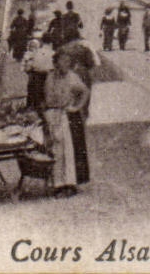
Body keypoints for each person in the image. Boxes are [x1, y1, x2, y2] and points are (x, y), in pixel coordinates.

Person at [41, 50, 91, 197]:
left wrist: (77, 106)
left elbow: (85, 91)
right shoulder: (49, 77)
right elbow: (46, 98)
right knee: (56, 150)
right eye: (62, 61)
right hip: (52, 115)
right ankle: (57, 184)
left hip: (67, 116)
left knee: (69, 150)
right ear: (55, 63)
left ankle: (70, 183)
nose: (66, 64)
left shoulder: (72, 77)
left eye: (68, 61)